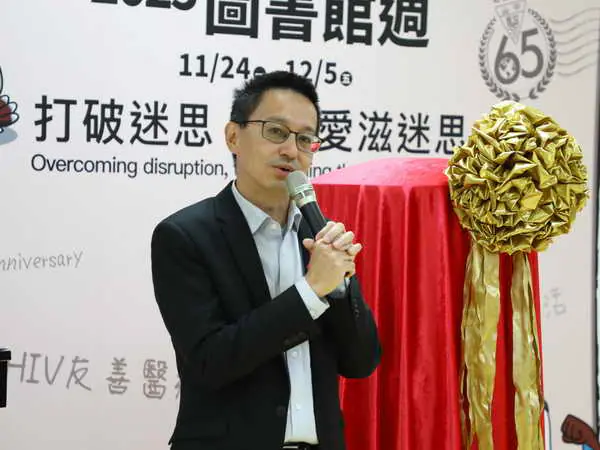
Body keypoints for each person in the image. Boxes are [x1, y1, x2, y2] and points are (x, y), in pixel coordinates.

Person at [150, 70, 381, 450]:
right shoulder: (185, 236)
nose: (292, 150)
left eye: (305, 139)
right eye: (276, 131)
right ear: (233, 137)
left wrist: (338, 287)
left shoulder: (319, 234)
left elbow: (361, 362)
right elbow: (210, 361)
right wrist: (311, 291)